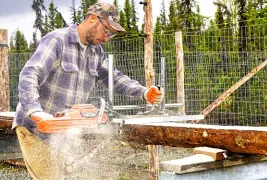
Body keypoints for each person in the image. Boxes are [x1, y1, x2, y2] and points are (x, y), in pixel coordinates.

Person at [12, 2, 163, 179]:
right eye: (106, 31)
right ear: (92, 19)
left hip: (62, 131)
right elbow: (30, 75)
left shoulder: (95, 52)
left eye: (111, 34)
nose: (107, 37)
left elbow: (113, 77)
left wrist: (144, 93)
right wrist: (36, 111)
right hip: (35, 128)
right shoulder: (57, 41)